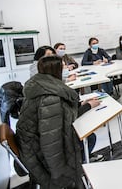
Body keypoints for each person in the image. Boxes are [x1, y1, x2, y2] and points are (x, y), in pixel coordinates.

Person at [16, 56, 101, 188]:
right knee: (89, 138)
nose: (67, 69)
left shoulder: (39, 86)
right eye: (64, 67)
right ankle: (81, 168)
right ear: (56, 71)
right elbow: (51, 142)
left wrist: (81, 105)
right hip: (40, 156)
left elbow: (59, 116)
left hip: (32, 147)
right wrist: (62, 176)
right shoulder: (50, 98)